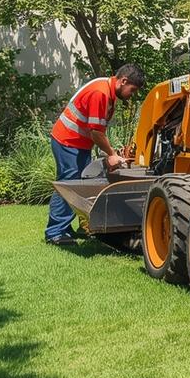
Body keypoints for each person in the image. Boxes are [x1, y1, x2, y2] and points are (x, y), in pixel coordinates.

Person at [45, 63, 146, 246]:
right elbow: (96, 132)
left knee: (78, 183)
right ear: (123, 81)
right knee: (68, 184)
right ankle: (55, 233)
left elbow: (97, 129)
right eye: (132, 90)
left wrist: (109, 152)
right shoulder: (101, 93)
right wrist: (112, 154)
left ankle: (65, 229)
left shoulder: (107, 89)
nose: (132, 95)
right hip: (68, 141)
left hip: (78, 143)